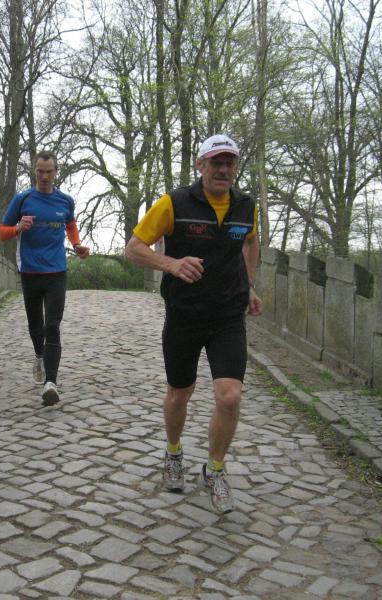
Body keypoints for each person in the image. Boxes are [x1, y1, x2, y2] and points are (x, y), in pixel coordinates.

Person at [124, 134, 262, 514]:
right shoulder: (174, 203)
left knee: (229, 396)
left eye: (230, 163)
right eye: (216, 162)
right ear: (200, 165)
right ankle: (173, 453)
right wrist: (170, 263)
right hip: (184, 314)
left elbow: (251, 242)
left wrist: (250, 284)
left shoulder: (246, 207)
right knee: (179, 394)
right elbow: (133, 248)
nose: (223, 169)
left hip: (227, 316)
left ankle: (214, 470)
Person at [0, 151, 90, 406]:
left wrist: (77, 244)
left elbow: (70, 224)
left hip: (56, 272)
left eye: (49, 172)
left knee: (52, 326)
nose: (44, 176)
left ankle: (51, 382)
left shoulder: (65, 201)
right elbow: (2, 233)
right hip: (30, 271)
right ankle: (39, 355)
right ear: (34, 171)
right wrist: (18, 228)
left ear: (56, 172)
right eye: (40, 171)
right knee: (35, 326)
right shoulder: (23, 199)